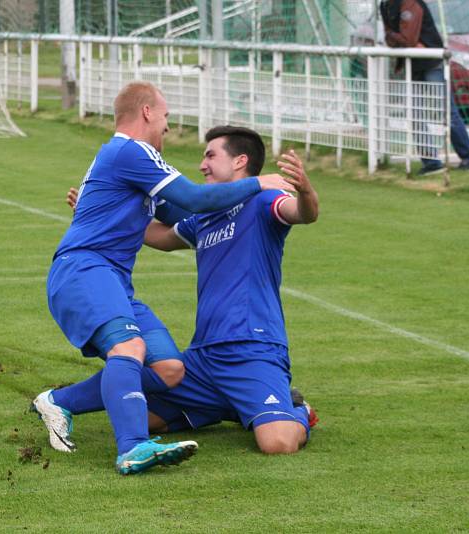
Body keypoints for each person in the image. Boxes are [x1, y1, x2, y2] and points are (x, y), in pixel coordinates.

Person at [32, 82, 294, 475]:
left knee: (170, 368)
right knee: (129, 347)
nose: (168, 127)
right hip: (87, 268)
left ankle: (60, 400)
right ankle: (133, 448)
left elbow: (181, 216)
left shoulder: (134, 163)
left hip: (114, 278)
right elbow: (196, 199)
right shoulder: (130, 151)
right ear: (148, 113)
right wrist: (259, 181)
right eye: (167, 116)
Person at [65, 126, 320, 454]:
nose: (202, 165)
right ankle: (227, 406)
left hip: (253, 348)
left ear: (240, 161)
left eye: (211, 155)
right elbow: (158, 237)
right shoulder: (208, 215)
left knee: (277, 444)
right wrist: (101, 214)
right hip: (204, 358)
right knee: (137, 418)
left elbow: (302, 213)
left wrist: (307, 191)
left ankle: (297, 409)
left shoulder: (264, 199)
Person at [380, 0, 469, 175]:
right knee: (414, 113)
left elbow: (407, 39)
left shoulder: (410, 3)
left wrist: (396, 38)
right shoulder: (385, 5)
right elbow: (393, 38)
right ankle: (432, 163)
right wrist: (397, 38)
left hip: (432, 62)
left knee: (446, 112)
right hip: (413, 64)